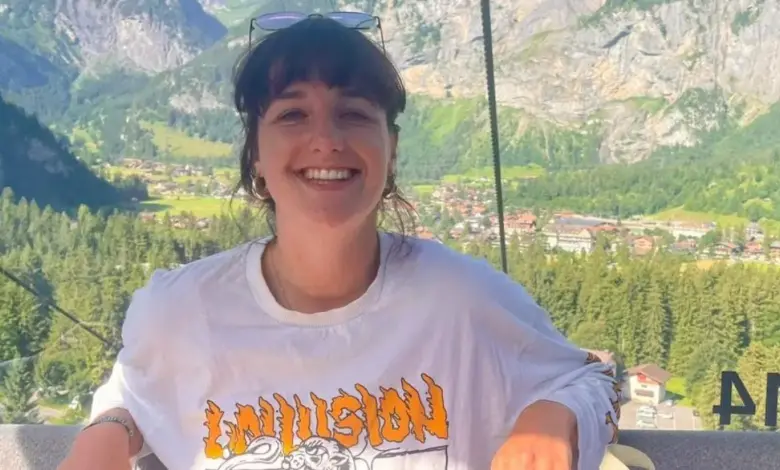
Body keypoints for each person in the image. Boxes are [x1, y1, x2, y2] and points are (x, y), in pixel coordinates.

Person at [57, 16, 621, 470]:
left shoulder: (461, 300)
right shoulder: (180, 309)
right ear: (256, 154)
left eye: (353, 114)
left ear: (391, 150)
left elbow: (588, 381)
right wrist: (109, 430)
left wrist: (551, 417)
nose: (325, 139)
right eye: (293, 114)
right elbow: (135, 389)